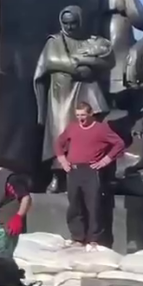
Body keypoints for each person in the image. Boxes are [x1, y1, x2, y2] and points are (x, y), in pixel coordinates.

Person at [53, 102, 126, 247]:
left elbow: (119, 144)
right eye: (78, 115)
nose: (81, 118)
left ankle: (94, 239)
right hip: (73, 170)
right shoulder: (72, 127)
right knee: (74, 204)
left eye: (83, 115)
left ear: (91, 114)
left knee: (93, 205)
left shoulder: (101, 129)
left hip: (91, 171)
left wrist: (106, 160)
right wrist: (63, 160)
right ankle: (78, 237)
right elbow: (58, 143)